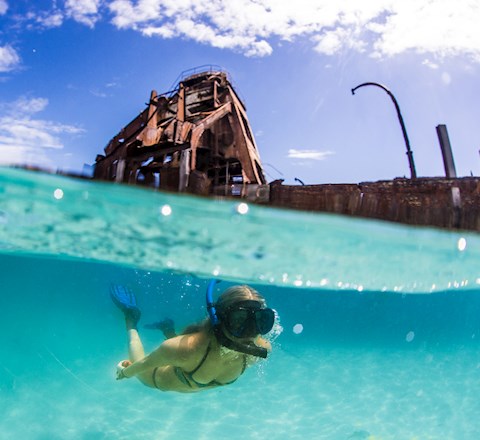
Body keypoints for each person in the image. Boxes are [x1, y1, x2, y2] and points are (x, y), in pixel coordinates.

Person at [111, 281, 275, 393]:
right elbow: (145, 363)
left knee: (183, 357)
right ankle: (131, 318)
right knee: (141, 371)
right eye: (239, 321)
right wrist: (125, 373)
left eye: (260, 321)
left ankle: (167, 327)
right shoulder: (185, 348)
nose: (249, 332)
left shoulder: (261, 349)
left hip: (186, 362)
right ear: (219, 318)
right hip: (154, 378)